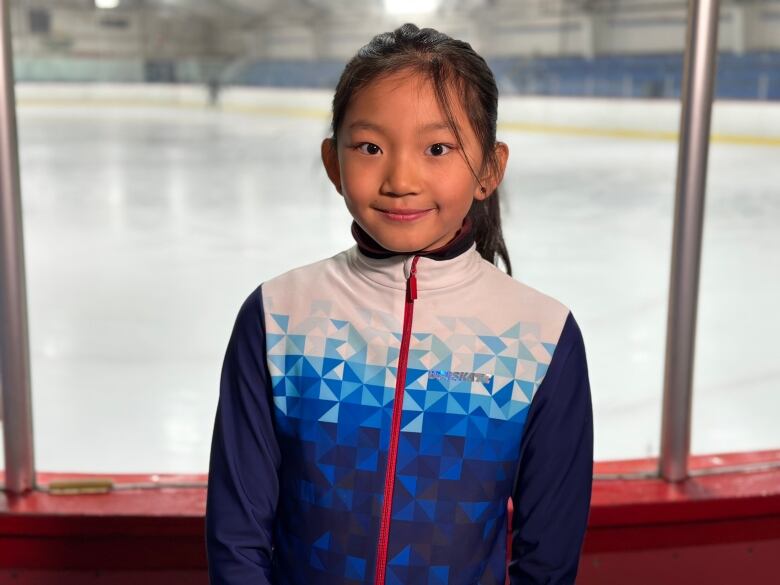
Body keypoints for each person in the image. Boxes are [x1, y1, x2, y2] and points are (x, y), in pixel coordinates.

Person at [205, 23, 593, 585]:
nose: (401, 179)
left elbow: (548, 555)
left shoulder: (542, 335)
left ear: (489, 168)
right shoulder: (276, 317)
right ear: (333, 163)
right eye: (370, 147)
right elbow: (237, 534)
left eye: (437, 148)